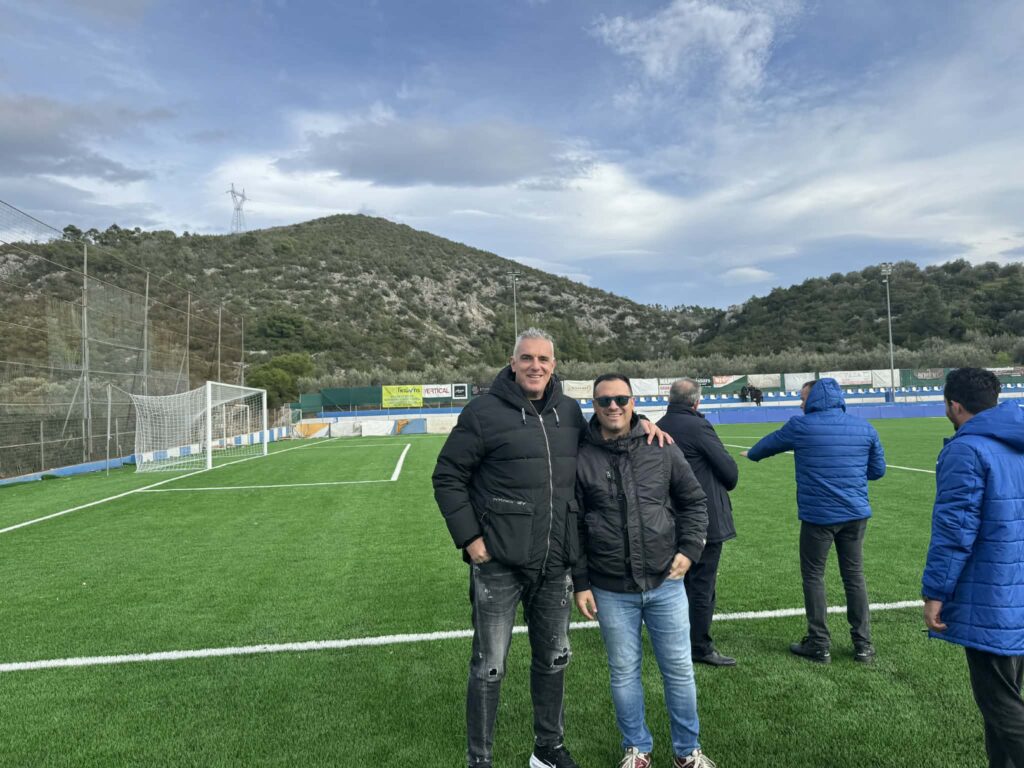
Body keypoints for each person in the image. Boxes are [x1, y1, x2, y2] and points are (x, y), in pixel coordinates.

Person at [432, 329, 669, 768]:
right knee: (489, 666)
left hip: (556, 563)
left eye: (543, 359)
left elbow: (607, 435)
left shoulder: (569, 411)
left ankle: (547, 748)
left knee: (555, 659)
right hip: (499, 564)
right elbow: (447, 477)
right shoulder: (482, 412)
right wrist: (470, 539)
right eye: (527, 358)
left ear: (554, 365)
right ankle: (479, 759)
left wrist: (643, 424)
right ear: (512, 362)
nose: (535, 366)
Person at [574, 374, 715, 768]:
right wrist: (580, 582)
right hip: (610, 588)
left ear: (633, 402)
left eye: (621, 399)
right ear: (594, 406)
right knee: (623, 673)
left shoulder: (662, 446)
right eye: (605, 400)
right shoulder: (581, 456)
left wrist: (690, 549)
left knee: (679, 671)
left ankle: (687, 752)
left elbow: (694, 501)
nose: (613, 406)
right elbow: (574, 526)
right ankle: (636, 748)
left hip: (665, 583)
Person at [741, 378, 885, 663]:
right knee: (854, 576)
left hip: (819, 516)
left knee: (813, 576)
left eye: (803, 398)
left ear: (815, 399)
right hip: (855, 515)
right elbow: (877, 471)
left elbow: (768, 445)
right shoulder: (864, 427)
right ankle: (863, 644)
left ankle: (819, 643)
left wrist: (752, 454)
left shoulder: (801, 426)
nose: (800, 403)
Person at [922, 368, 1024, 768]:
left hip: (992, 594)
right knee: (1005, 701)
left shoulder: (966, 450)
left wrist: (936, 593)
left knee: (1000, 705)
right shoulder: (1016, 440)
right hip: (1015, 588)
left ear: (954, 405)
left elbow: (954, 531)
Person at [658, 377, 740, 667]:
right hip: (704, 518)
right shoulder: (698, 426)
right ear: (696, 402)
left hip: (669, 519)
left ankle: (675, 640)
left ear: (670, 399)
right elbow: (729, 471)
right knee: (702, 585)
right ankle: (699, 646)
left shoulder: (659, 425)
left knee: (676, 583)